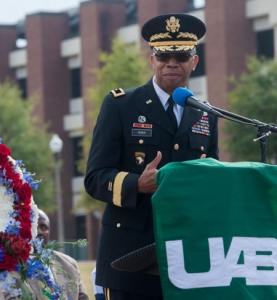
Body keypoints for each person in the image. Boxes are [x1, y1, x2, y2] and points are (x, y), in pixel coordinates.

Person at [84, 13, 219, 300]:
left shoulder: (205, 114)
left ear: (194, 62)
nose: (172, 63)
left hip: (187, 256)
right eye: (163, 56)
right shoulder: (120, 105)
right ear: (152, 60)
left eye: (181, 56)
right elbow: (95, 178)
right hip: (129, 256)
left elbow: (212, 178)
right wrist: (136, 184)